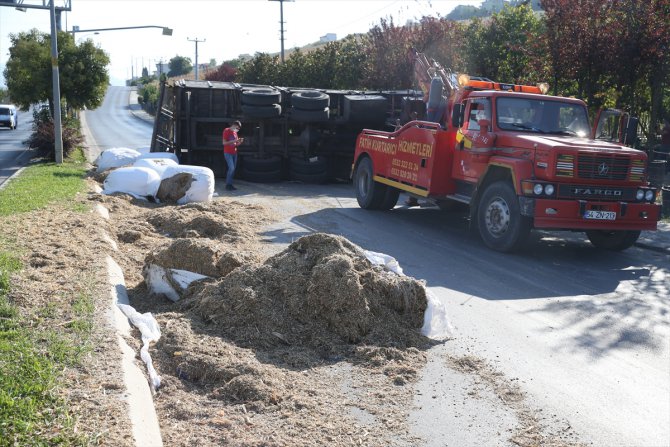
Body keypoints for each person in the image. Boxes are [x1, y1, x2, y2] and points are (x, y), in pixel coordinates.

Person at [222, 120, 244, 190]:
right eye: (237, 127)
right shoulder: (226, 130)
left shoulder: (235, 133)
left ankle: (230, 184)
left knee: (233, 169)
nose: (238, 129)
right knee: (231, 168)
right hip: (228, 153)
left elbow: (235, 144)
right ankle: (228, 185)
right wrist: (234, 141)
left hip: (234, 153)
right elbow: (224, 143)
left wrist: (239, 142)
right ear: (234, 125)